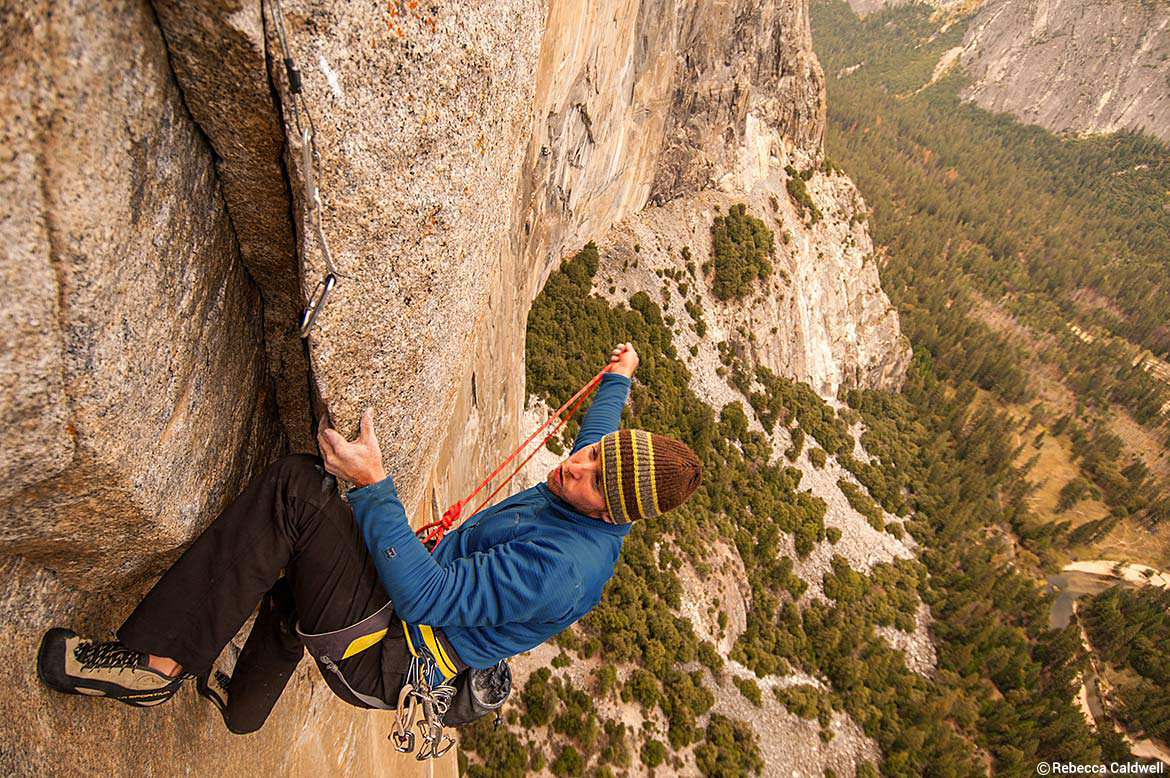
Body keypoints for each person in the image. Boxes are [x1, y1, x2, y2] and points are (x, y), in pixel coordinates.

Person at [37, 343, 701, 733]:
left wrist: (376, 485)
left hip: (388, 654)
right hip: (396, 629)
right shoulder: (599, 487)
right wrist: (620, 374)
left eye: (589, 477)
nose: (571, 467)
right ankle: (243, 710)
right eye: (591, 455)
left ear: (616, 513)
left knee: (300, 494)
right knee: (317, 559)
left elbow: (426, 598)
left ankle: (158, 667)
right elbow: (601, 437)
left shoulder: (564, 568)